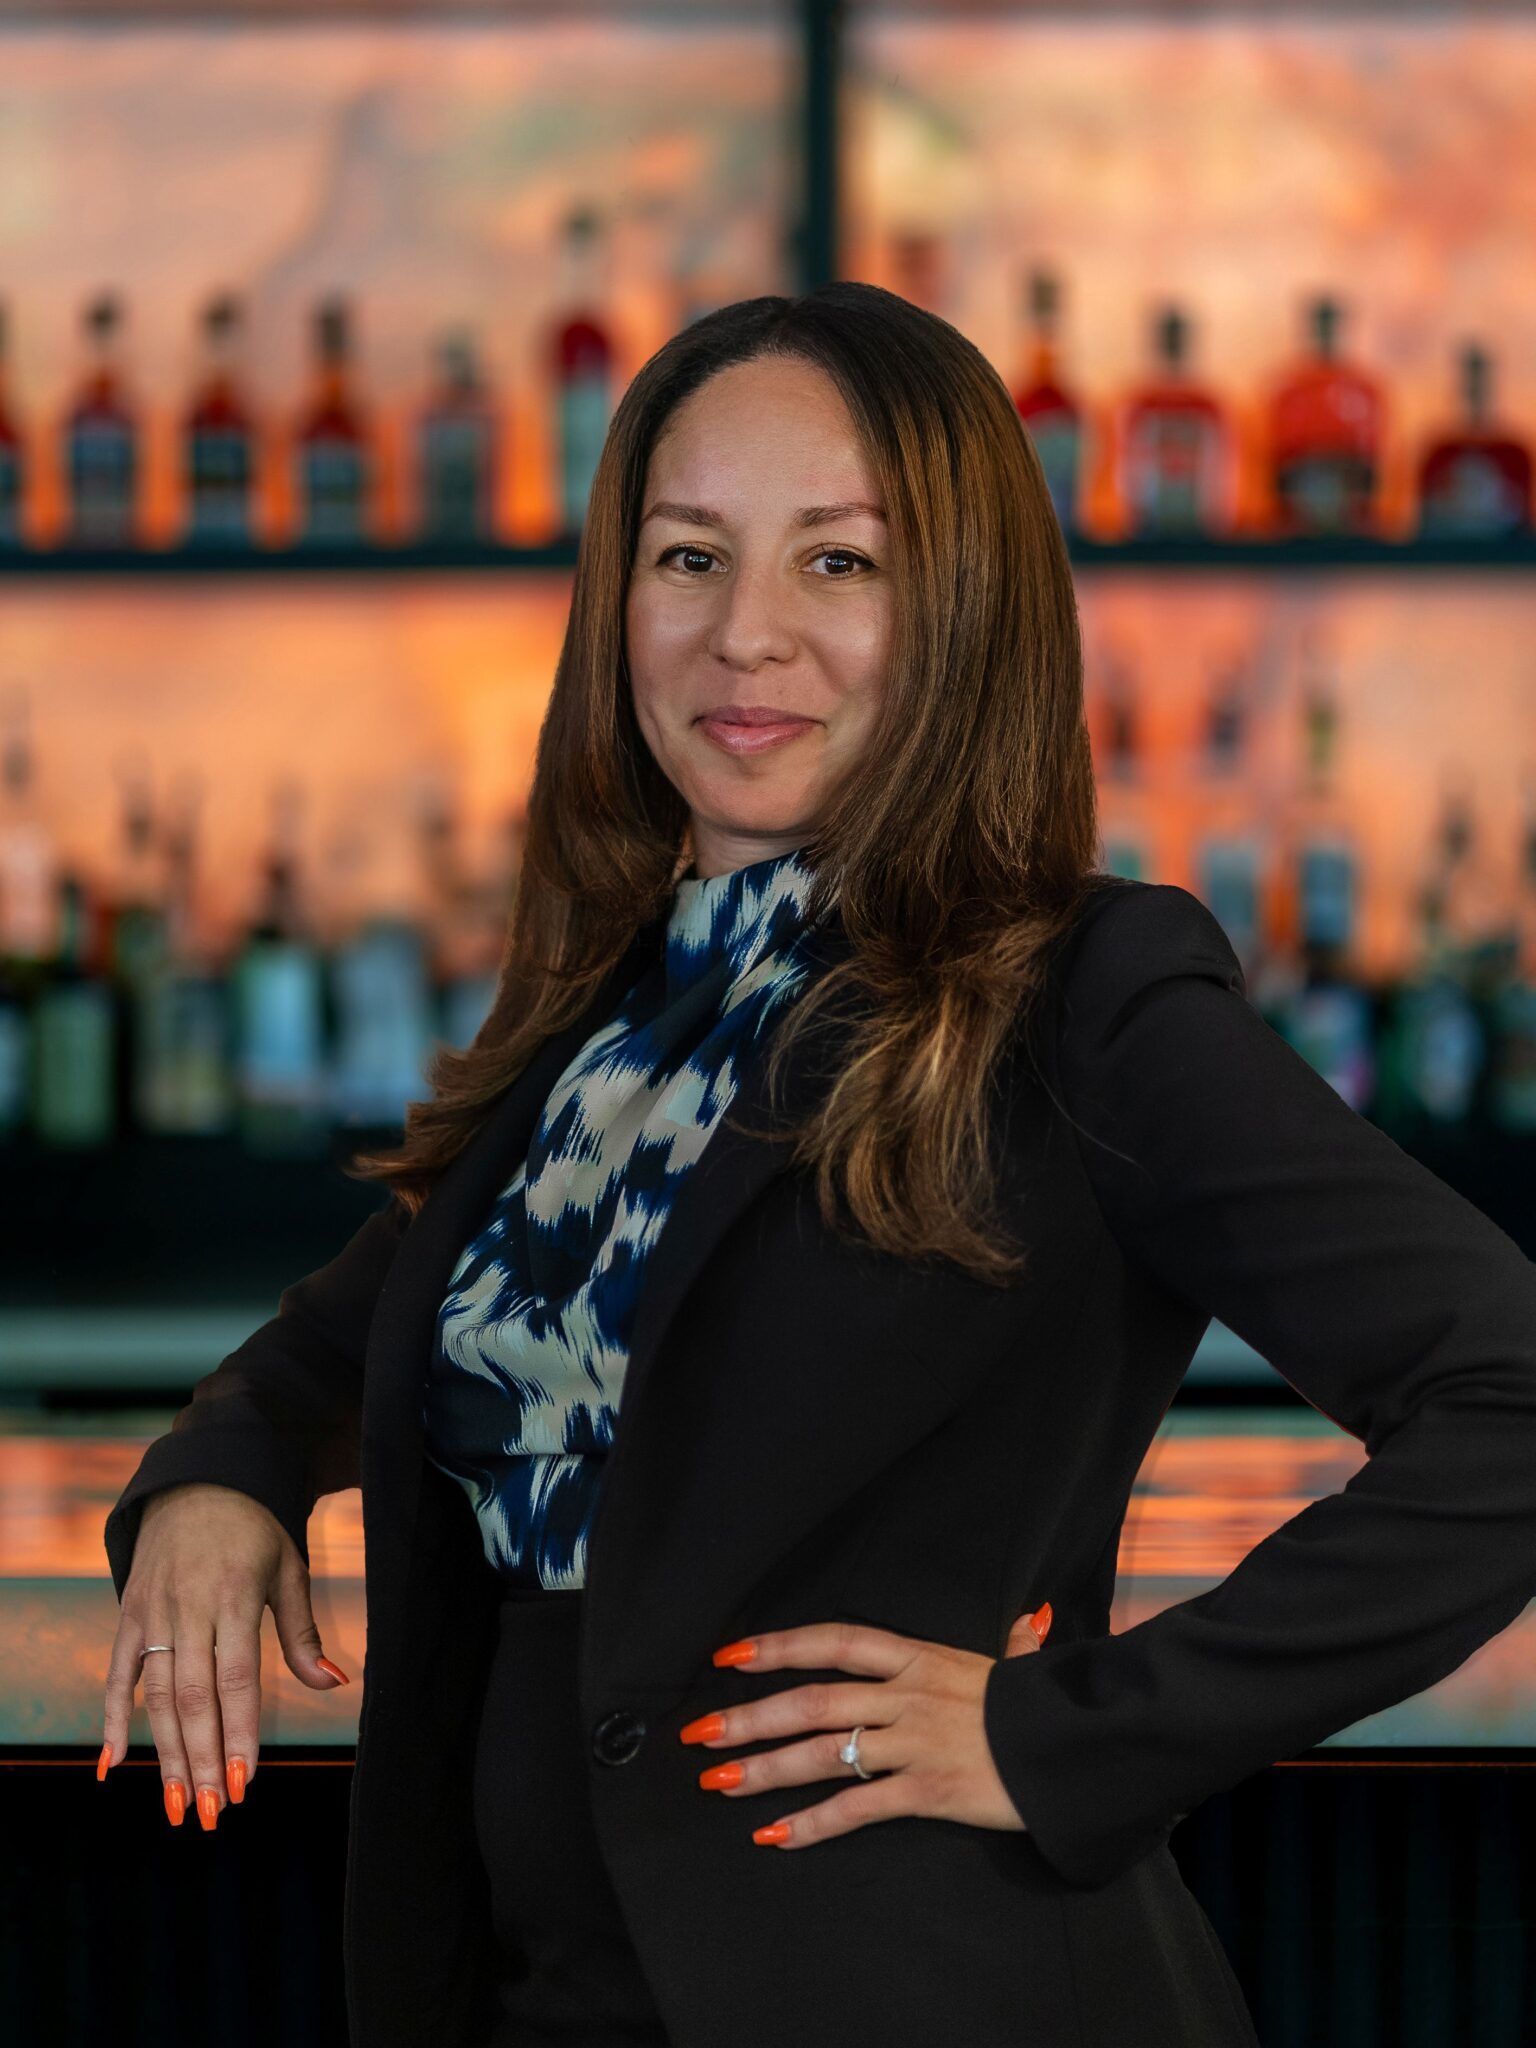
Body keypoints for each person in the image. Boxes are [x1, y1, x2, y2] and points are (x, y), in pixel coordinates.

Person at [99, 283, 1536, 2048]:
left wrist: (1064, 1733)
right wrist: (208, 1487)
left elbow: (1512, 1399)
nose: (744, 638)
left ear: (961, 610)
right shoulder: (612, 1007)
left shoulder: (1088, 996)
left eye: (838, 564)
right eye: (689, 556)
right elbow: (342, 1343)